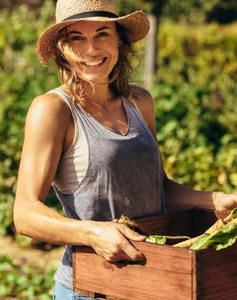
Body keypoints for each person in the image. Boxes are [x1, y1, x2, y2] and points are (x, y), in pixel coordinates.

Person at [13, 0, 237, 299]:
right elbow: (25, 213)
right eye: (76, 38)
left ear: (120, 38)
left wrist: (214, 200)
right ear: (62, 49)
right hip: (92, 286)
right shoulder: (54, 109)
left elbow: (157, 189)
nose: (90, 50)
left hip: (153, 281)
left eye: (101, 34)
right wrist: (93, 232)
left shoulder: (139, 102)